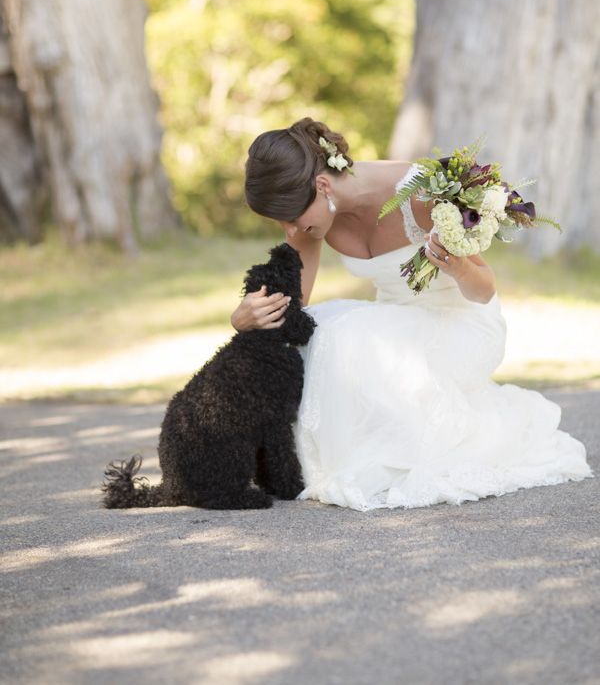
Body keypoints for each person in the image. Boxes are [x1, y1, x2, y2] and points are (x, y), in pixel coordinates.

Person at [233, 116, 593, 511]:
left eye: (290, 218)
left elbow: (484, 289)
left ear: (322, 186)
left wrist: (457, 266)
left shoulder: (421, 193)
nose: (289, 232)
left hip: (460, 325)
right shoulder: (311, 220)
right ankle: (300, 461)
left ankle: (365, 458)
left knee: (348, 335)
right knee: (320, 328)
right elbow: (295, 307)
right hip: (394, 327)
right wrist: (244, 318)